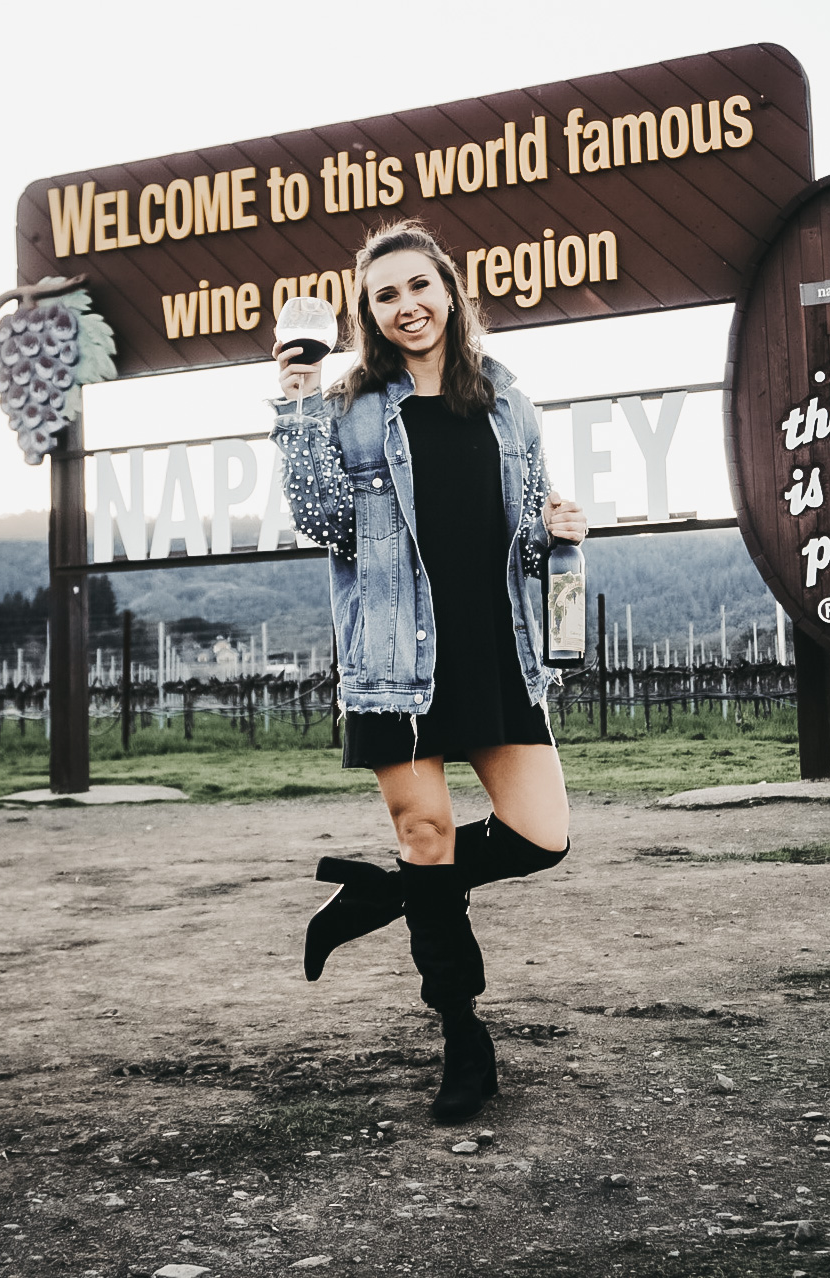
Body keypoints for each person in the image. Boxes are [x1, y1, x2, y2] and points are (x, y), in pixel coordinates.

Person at [270, 219, 587, 1125]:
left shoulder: (509, 404)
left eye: (419, 286)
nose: (406, 306)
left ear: (448, 289)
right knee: (429, 835)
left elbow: (522, 527)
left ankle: (387, 890)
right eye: (384, 296)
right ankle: (462, 1039)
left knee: (540, 835)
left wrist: (558, 531)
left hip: (494, 647)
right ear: (366, 314)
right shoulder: (352, 408)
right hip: (392, 659)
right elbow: (324, 523)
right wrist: (296, 400)